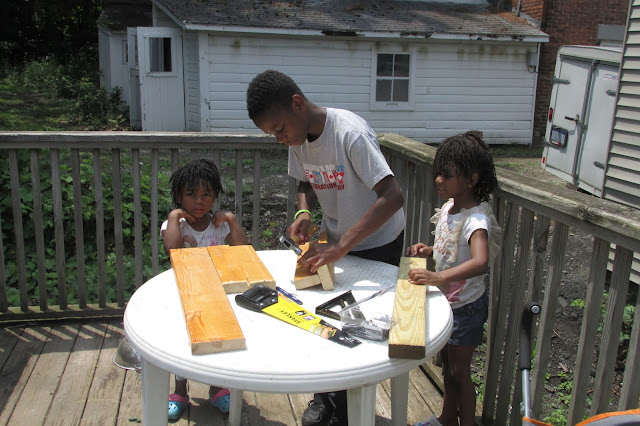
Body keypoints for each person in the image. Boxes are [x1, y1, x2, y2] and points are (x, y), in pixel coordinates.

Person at [247, 69, 406, 426]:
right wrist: (303, 211)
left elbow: (392, 196)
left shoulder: (350, 133)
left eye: (279, 129)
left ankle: (349, 410)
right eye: (273, 135)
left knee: (361, 328)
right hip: (337, 241)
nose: (280, 139)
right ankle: (326, 398)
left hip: (378, 242)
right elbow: (304, 182)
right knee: (324, 318)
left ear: (298, 104)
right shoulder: (298, 139)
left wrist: (342, 246)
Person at [406, 131, 502, 426]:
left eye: (447, 175)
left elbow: (480, 261)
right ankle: (447, 418)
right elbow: (452, 248)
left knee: (460, 373)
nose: (438, 180)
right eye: (438, 173)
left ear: (471, 180)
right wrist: (430, 249)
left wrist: (437, 275)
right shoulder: (450, 207)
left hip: (466, 307)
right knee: (448, 367)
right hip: (449, 303)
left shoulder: (476, 220)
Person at [161, 158, 248, 420]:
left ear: (215, 196)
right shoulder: (176, 225)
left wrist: (231, 220)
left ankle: (217, 388)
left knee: (219, 343)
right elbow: (172, 250)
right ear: (179, 196)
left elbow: (243, 251)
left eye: (206, 195)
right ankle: (179, 391)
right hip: (186, 294)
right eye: (191, 194)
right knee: (183, 344)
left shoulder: (219, 225)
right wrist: (173, 217)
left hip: (217, 296)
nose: (198, 201)